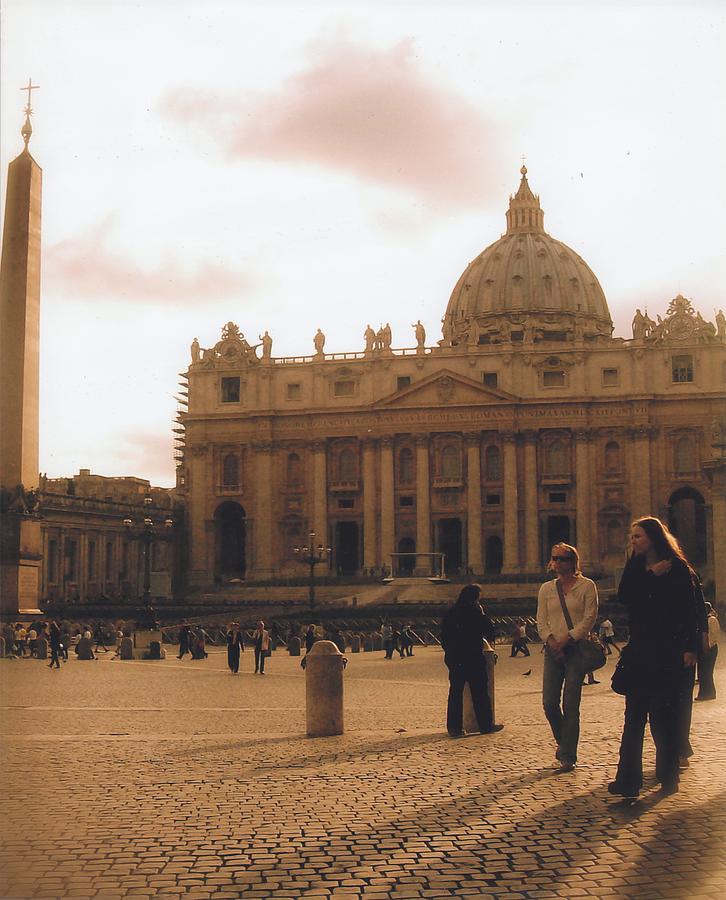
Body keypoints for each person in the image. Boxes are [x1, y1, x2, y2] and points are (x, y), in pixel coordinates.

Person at [608, 517, 700, 799]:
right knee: (633, 718)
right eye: (632, 536)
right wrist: (651, 577)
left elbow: (692, 610)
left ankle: (668, 776)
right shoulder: (636, 566)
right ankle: (627, 781)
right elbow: (624, 597)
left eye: (638, 536)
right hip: (640, 650)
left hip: (668, 650)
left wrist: (691, 648)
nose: (633, 541)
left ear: (653, 538)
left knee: (662, 717)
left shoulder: (679, 569)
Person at [536, 542, 599, 772]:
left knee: (571, 704)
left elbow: (590, 617)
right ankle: (565, 744)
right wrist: (552, 641)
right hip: (552, 651)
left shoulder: (587, 586)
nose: (557, 562)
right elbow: (541, 621)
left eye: (562, 558)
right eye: (555, 558)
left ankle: (568, 756)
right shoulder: (546, 589)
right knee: (549, 703)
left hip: (576, 650)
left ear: (573, 561)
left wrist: (568, 638)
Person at [441, 584, 503, 736]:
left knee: (455, 693)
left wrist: (450, 653)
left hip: (455, 658)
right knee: (480, 693)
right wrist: (482, 613)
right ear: (475, 598)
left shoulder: (450, 612)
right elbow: (489, 630)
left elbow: (444, 637)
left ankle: (454, 728)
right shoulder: (475, 612)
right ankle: (486, 725)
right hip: (473, 656)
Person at [695, 602, 720, 701]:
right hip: (703, 649)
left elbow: (715, 635)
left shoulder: (712, 620)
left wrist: (707, 646)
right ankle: (705, 692)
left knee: (707, 672)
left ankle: (709, 693)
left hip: (710, 649)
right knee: (702, 672)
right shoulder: (704, 620)